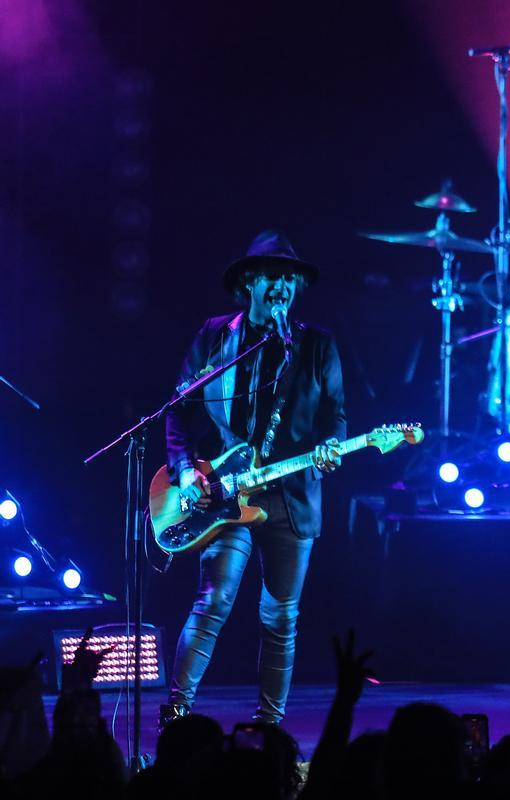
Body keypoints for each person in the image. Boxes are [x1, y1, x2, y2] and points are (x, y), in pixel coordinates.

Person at [161, 230, 347, 728]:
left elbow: (337, 417)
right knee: (213, 600)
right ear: (249, 282)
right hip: (226, 495)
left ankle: (269, 731)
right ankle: (176, 716)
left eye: (291, 277)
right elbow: (178, 411)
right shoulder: (215, 337)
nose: (283, 285)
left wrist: (331, 447)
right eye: (273, 275)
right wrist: (183, 472)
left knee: (280, 618)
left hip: (291, 499)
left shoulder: (316, 346)